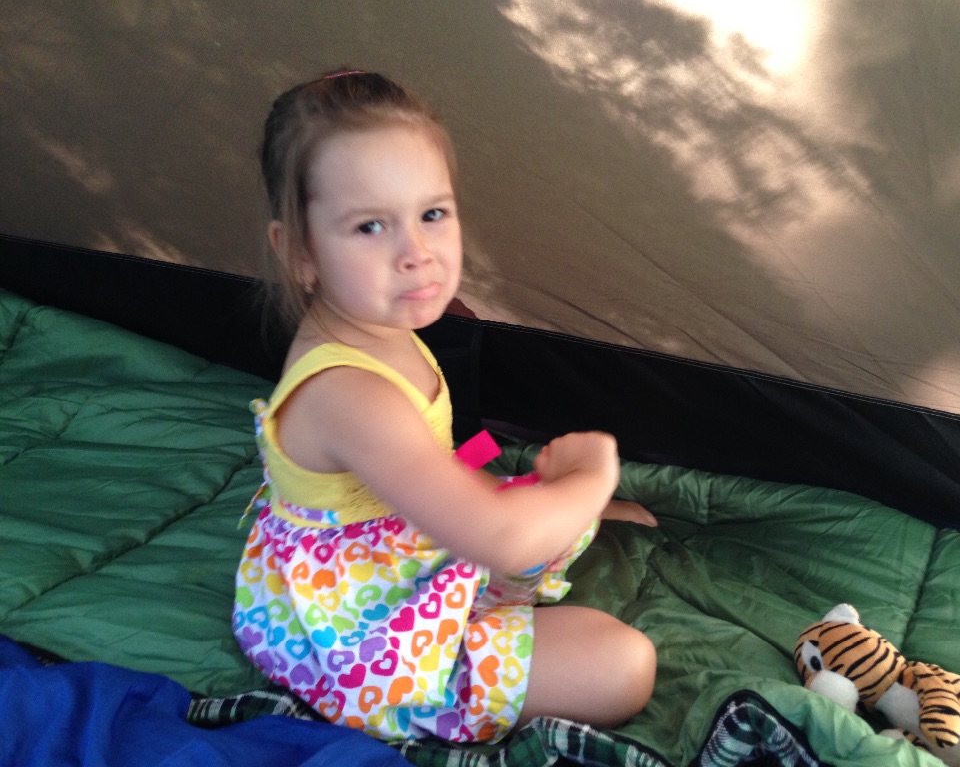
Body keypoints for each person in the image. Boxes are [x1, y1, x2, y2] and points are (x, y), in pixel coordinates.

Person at [233, 68, 657, 745]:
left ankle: (531, 538)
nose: (417, 253)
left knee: (545, 521)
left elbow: (431, 471)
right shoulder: (347, 393)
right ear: (301, 254)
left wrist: (566, 507)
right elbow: (499, 537)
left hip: (401, 540)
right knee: (623, 665)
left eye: (432, 214)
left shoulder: (377, 322)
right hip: (358, 629)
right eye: (370, 226)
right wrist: (592, 479)